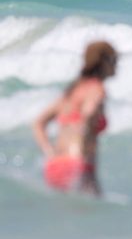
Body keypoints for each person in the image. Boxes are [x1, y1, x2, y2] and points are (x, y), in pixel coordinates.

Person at [33, 41, 118, 195]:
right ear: (105, 62)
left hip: (55, 164)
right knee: (94, 217)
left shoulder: (71, 91)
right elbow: (88, 114)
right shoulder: (97, 89)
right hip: (79, 165)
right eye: (115, 60)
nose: (117, 65)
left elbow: (38, 123)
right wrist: (82, 152)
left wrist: (49, 153)